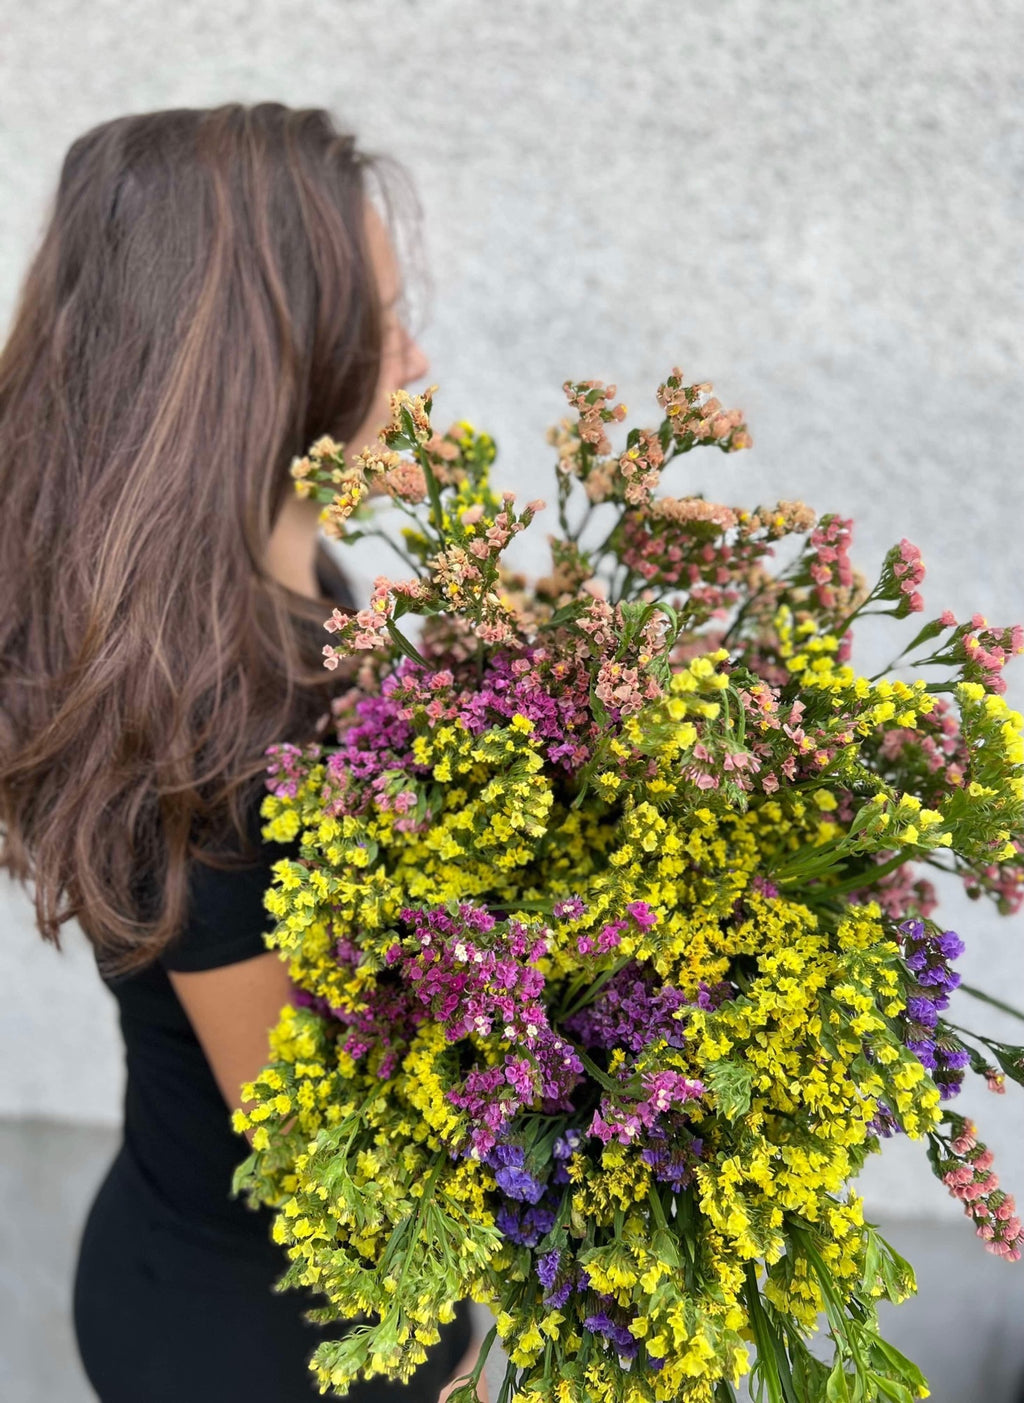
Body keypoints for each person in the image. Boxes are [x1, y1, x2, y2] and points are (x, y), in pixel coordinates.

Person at [0, 102, 488, 1402]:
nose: (416, 363)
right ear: (274, 366)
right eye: (378, 331)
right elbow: (327, 1144)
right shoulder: (224, 725)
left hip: (224, 1272)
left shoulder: (245, 593)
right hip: (272, 1347)